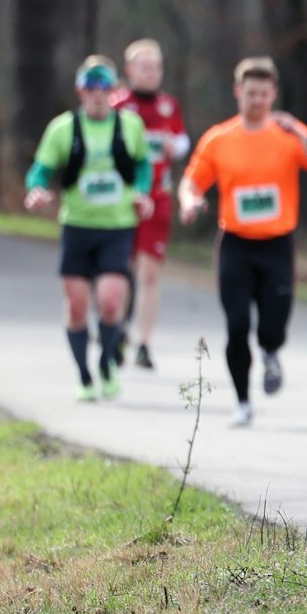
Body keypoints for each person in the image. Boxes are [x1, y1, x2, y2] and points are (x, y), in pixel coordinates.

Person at [178, 57, 307, 427]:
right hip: (235, 244)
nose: (257, 100)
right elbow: (192, 181)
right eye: (250, 93)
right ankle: (242, 402)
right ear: (238, 92)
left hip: (277, 245)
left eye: (264, 94)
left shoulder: (288, 134)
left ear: (274, 94)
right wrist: (189, 202)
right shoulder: (220, 138)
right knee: (237, 323)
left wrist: (301, 136)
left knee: (273, 324)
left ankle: (271, 351)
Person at [24, 56, 154, 402]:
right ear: (79, 91)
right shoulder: (62, 129)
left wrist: (142, 193)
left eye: (104, 87)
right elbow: (40, 170)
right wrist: (37, 190)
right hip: (77, 227)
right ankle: (83, 375)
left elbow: (143, 165)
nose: (98, 94)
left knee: (111, 303)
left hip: (117, 227)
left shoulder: (130, 126)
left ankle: (107, 363)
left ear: (114, 91)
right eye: (90, 87)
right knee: (77, 307)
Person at [109, 39, 190, 371]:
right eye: (145, 67)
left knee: (150, 272)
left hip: (158, 198)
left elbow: (183, 141)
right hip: (122, 200)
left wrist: (175, 146)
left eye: (156, 67)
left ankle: (143, 343)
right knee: (120, 270)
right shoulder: (117, 105)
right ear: (130, 70)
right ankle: (117, 331)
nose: (152, 73)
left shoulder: (169, 105)